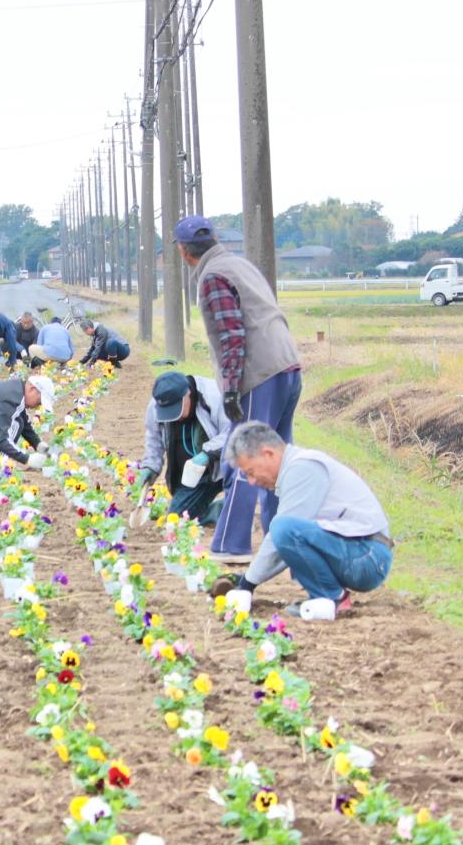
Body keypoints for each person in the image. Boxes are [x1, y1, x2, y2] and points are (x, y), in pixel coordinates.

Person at [173, 215, 304, 563]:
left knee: (247, 457)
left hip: (260, 374)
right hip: (287, 367)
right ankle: (281, 542)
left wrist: (231, 388)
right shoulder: (238, 264)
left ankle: (231, 544)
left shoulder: (214, 276)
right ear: (215, 239)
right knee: (277, 460)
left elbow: (232, 336)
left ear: (183, 251)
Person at [211, 423, 393, 621]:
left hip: (367, 556)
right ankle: (327, 596)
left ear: (267, 454)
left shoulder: (303, 468)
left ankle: (332, 598)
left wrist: (247, 584)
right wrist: (248, 580)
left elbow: (282, 535)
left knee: (282, 528)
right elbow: (289, 544)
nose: (252, 482)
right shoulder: (297, 467)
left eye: (250, 472)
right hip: (361, 552)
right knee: (285, 530)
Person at [139, 371, 232, 525]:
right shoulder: (158, 405)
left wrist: (208, 454)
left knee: (242, 460)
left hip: (224, 464)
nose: (174, 417)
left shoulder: (214, 395)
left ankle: (236, 503)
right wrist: (151, 465)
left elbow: (233, 432)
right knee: (177, 517)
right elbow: (154, 438)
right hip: (194, 476)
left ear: (187, 394)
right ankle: (218, 511)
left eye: (176, 409)